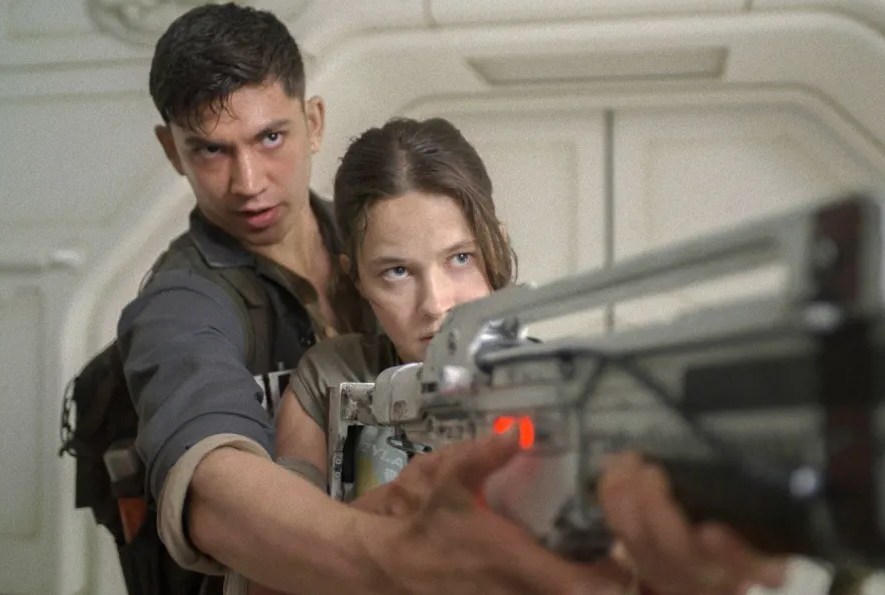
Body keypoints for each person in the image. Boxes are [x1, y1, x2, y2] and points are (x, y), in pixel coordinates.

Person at [120, 1, 786, 595]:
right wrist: (402, 554)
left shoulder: (388, 229)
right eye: (211, 150)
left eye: (271, 137)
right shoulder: (195, 312)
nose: (248, 181)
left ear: (311, 121)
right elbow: (220, 498)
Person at [271, 117, 791, 595]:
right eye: (397, 272)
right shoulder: (329, 378)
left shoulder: (555, 390)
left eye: (460, 258)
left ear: (495, 245)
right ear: (356, 277)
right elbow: (274, 565)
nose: (436, 303)